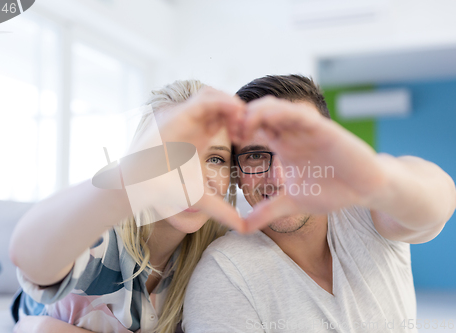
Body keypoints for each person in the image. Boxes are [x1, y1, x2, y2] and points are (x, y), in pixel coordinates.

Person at [182, 75, 456, 332]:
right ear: (237, 174)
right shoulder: (226, 274)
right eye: (255, 155)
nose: (279, 177)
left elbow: (437, 205)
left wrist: (375, 180)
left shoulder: (365, 212)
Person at [9, 80, 247, 333]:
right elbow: (30, 258)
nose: (195, 178)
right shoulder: (101, 240)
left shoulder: (222, 254)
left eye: (215, 159)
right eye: (174, 154)